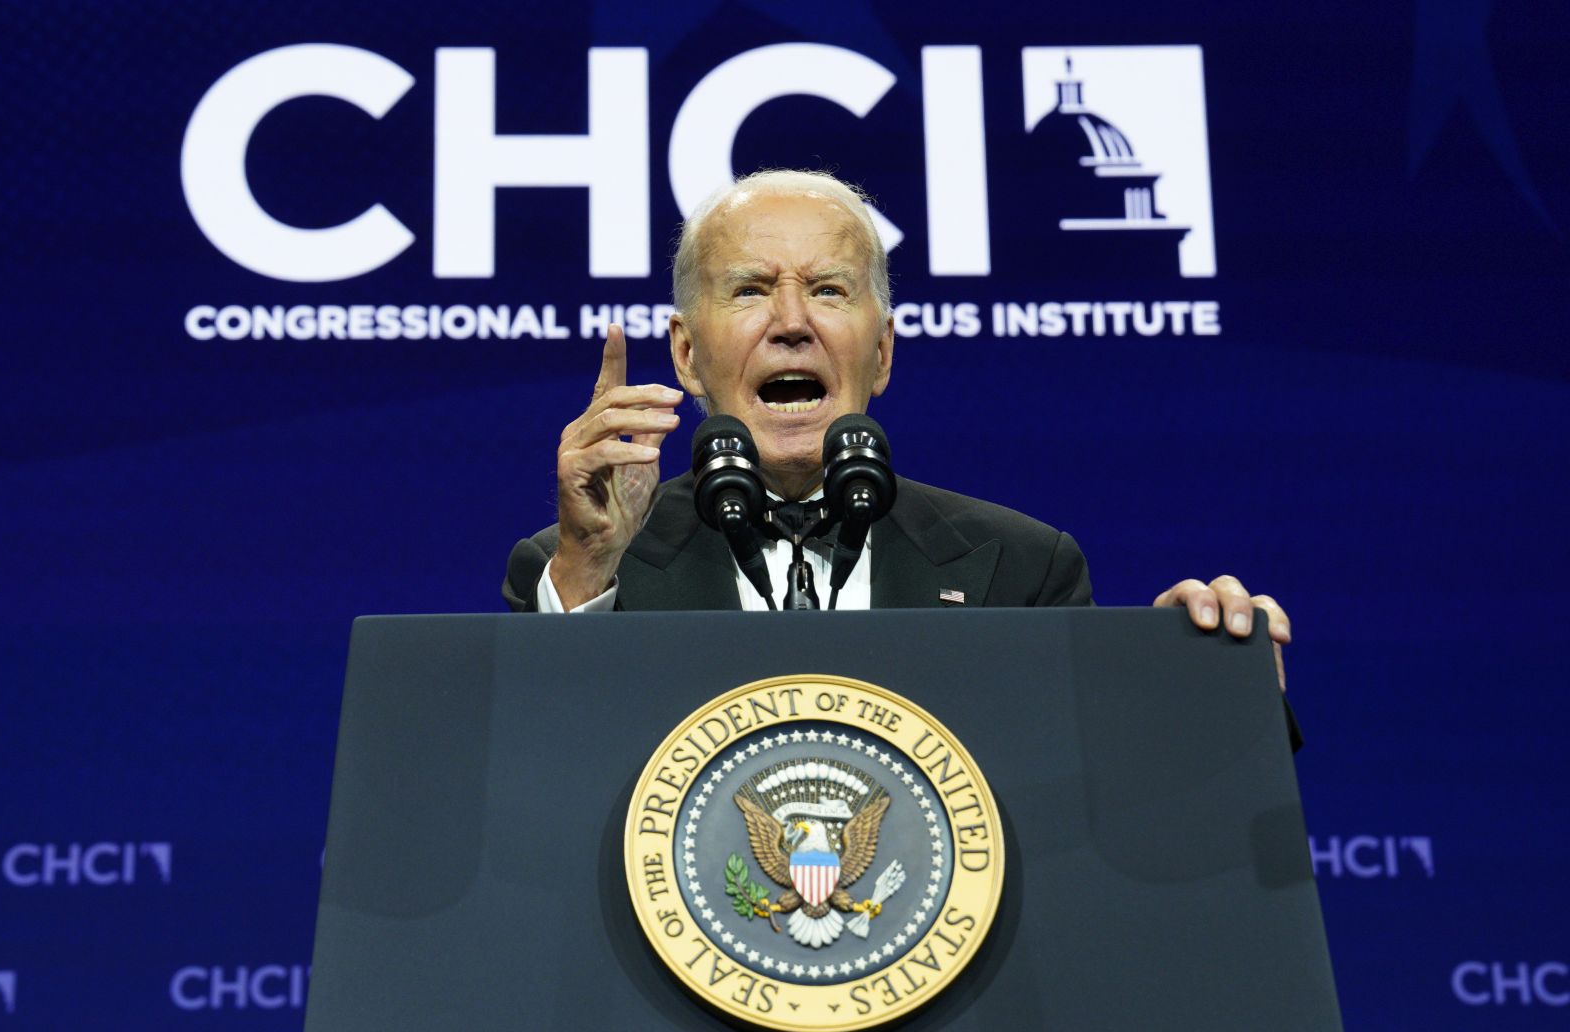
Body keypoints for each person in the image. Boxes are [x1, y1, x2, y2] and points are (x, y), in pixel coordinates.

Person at [503, 169, 1293, 700]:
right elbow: (533, 795)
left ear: (880, 351)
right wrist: (590, 568)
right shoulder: (570, 574)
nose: (790, 322)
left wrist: (1195, 685)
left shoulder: (1020, 572)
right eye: (749, 290)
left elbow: (1098, 815)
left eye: (828, 290)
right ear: (686, 353)